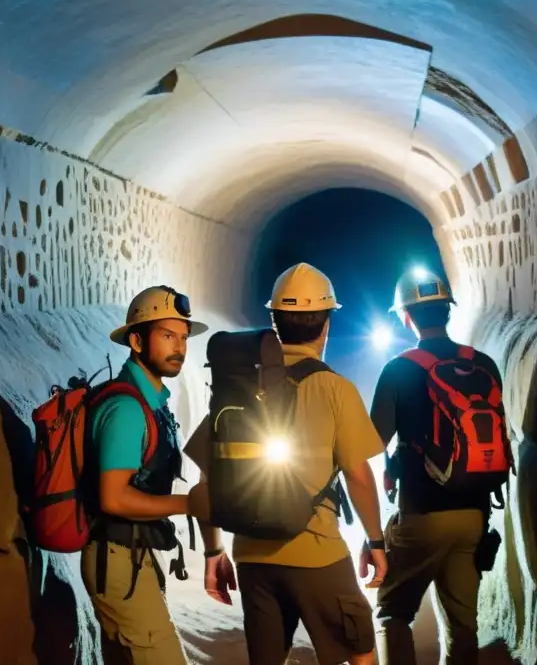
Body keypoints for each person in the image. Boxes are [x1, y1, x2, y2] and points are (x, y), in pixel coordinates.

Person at [184, 262, 388, 665]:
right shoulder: (334, 388)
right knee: (360, 649)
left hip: (252, 555)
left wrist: (213, 553)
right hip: (316, 553)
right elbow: (359, 476)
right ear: (326, 325)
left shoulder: (240, 385)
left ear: (274, 322)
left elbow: (210, 475)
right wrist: (376, 542)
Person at [370, 270, 507, 665]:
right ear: (448, 311)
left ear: (406, 317)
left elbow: (373, 439)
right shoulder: (482, 364)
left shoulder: (399, 368)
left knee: (394, 612)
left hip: (422, 514)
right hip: (474, 515)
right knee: (463, 623)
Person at [81, 284, 211, 665]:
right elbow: (114, 497)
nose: (180, 348)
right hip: (118, 560)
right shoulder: (126, 409)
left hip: (132, 554)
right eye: (168, 336)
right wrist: (188, 504)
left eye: (183, 337)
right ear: (136, 341)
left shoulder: (151, 402)